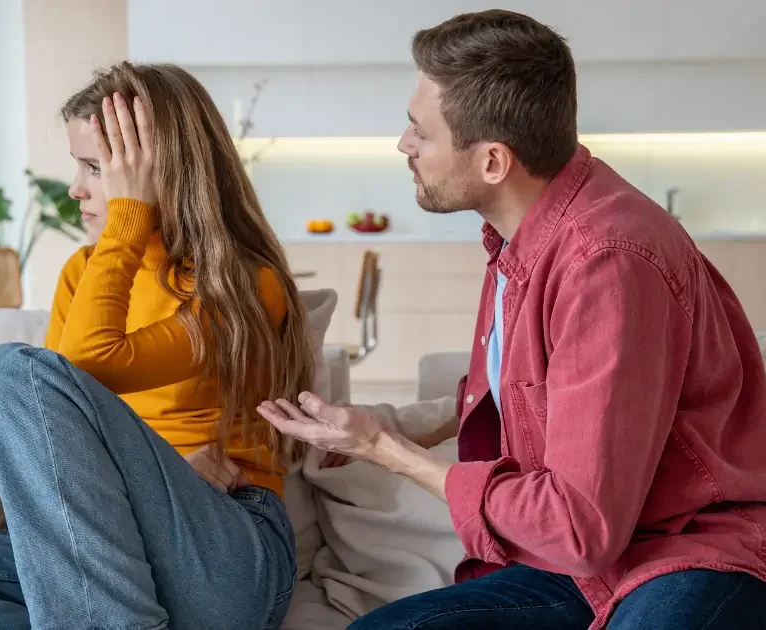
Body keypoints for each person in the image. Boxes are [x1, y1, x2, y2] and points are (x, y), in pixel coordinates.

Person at [257, 9, 766, 630]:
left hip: (689, 551)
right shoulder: (521, 239)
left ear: (494, 162)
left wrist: (382, 449)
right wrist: (393, 432)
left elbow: (582, 527)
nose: (403, 145)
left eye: (421, 131)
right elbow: (530, 394)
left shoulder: (606, 262)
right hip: (589, 563)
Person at [0, 62, 315, 629]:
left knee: (2, 372)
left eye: (95, 168)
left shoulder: (242, 284)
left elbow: (80, 367)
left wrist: (130, 217)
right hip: (112, 552)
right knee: (10, 381)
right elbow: (50, 424)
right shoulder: (84, 271)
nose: (75, 189)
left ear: (160, 173)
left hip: (225, 553)